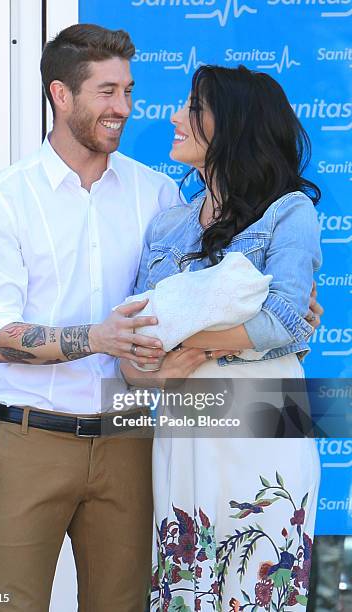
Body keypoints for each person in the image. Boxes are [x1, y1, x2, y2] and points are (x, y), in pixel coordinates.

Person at [0, 23, 203, 612]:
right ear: (60, 94)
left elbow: (188, 303)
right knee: (4, 605)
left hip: (128, 439)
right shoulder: (1, 199)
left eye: (127, 90)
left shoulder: (159, 195)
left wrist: (277, 302)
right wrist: (97, 338)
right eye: (106, 92)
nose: (123, 107)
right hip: (31, 441)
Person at [120, 65, 324, 611]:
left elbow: (283, 319)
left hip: (265, 427)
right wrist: (154, 369)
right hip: (186, 431)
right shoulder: (167, 225)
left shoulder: (289, 211)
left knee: (259, 589)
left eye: (193, 108)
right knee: (187, 590)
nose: (174, 117)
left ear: (232, 124)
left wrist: (193, 346)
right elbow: (136, 343)